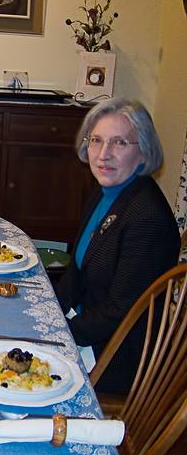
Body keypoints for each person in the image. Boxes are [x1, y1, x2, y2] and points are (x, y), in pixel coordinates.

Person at [54, 98, 179, 394]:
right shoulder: (104, 192)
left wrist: (59, 333)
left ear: (144, 152)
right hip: (89, 325)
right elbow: (77, 272)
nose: (103, 154)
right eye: (96, 140)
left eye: (119, 143)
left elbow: (118, 313)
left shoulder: (148, 218)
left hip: (114, 355)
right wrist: (48, 310)